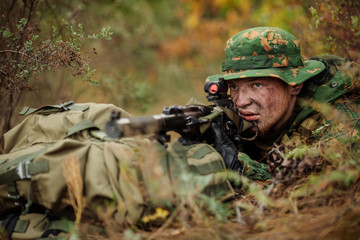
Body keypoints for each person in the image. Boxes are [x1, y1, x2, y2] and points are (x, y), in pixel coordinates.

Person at [206, 26, 360, 182]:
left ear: (295, 85)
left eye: (257, 85)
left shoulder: (343, 121)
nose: (241, 101)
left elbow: (314, 187)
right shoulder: (243, 121)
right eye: (234, 87)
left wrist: (241, 168)